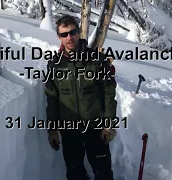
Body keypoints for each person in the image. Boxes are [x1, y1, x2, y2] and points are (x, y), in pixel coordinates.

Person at [44, 14, 117, 180]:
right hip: (70, 131)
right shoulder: (55, 64)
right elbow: (52, 98)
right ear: (59, 37)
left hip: (96, 128)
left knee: (104, 173)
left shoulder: (97, 59)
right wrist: (52, 129)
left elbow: (109, 92)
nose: (69, 37)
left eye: (72, 32)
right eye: (64, 34)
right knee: (75, 174)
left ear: (78, 33)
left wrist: (109, 124)